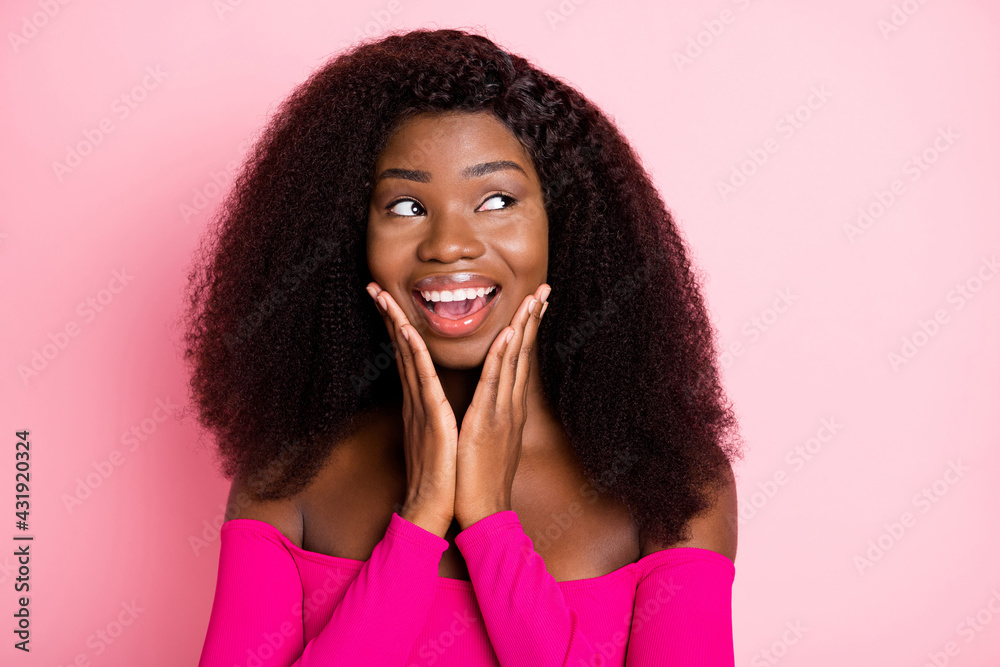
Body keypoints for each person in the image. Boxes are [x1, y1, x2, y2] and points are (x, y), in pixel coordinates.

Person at [185, 27, 745, 666]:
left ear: (566, 227)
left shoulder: (672, 487)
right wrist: (419, 522)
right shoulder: (289, 477)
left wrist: (489, 525)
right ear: (347, 235)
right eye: (405, 206)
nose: (450, 244)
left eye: (497, 200)